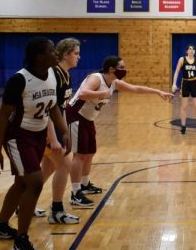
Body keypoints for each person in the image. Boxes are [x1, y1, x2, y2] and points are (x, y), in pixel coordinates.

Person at [0, 37, 69, 250]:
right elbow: (3, 116)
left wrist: (64, 132)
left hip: (38, 134)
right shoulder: (19, 80)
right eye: (52, 51)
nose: (57, 54)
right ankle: (21, 239)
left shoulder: (52, 75)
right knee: (34, 182)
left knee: (21, 183)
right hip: (17, 136)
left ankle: (0, 226)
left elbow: (53, 108)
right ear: (38, 56)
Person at [67, 56, 172, 207]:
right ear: (112, 69)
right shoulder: (96, 78)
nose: (125, 70)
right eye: (122, 67)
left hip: (88, 118)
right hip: (76, 114)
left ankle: (85, 184)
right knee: (80, 155)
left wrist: (158, 91)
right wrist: (101, 94)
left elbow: (135, 88)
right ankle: (75, 193)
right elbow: (83, 93)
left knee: (90, 152)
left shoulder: (114, 82)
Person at [37, 37, 81, 224]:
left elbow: (60, 108)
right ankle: (56, 211)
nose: (79, 57)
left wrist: (66, 133)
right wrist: (53, 138)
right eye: (76, 53)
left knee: (47, 169)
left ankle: (24, 203)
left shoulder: (67, 74)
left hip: (56, 128)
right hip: (45, 128)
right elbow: (48, 108)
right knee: (65, 164)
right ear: (66, 54)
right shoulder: (53, 74)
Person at [171, 44, 196, 134]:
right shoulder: (182, 59)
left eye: (193, 49)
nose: (191, 51)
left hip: (194, 83)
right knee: (184, 106)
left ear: (194, 51)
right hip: (185, 83)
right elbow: (176, 71)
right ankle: (183, 126)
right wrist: (174, 83)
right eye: (190, 49)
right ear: (187, 51)